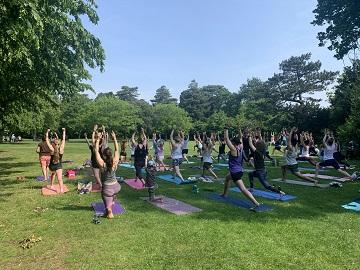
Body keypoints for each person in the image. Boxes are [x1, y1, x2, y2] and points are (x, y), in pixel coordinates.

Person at [220, 127, 261, 211]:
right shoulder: (241, 147)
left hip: (236, 173)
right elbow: (241, 138)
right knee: (227, 178)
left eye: (232, 143)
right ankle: (224, 194)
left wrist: (226, 130)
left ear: (234, 143)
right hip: (238, 171)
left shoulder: (233, 149)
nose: (230, 143)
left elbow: (226, 139)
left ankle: (256, 203)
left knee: (243, 189)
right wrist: (239, 130)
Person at [94, 131, 121, 219]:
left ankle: (109, 211)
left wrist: (98, 139)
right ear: (111, 155)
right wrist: (114, 139)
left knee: (104, 194)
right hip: (117, 187)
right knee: (112, 194)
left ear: (104, 156)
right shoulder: (115, 162)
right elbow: (117, 150)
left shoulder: (102, 164)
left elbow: (96, 151)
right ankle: (112, 202)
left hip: (107, 189)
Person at [45, 128, 66, 193]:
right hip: (58, 166)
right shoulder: (61, 148)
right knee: (60, 178)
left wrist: (47, 132)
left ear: (54, 142)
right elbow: (64, 139)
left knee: (53, 174)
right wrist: (64, 131)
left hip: (52, 166)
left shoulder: (51, 149)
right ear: (59, 142)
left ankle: (51, 185)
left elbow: (47, 140)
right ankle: (61, 189)